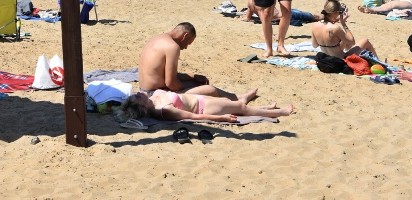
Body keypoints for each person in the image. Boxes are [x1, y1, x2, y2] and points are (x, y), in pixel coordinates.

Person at [138, 23, 239, 98]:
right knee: (208, 89)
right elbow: (171, 83)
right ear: (185, 36)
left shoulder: (158, 38)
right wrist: (190, 86)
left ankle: (233, 97)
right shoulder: (172, 47)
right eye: (188, 43)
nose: (186, 47)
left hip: (143, 90)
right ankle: (235, 98)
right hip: (154, 94)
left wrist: (192, 77)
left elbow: (161, 74)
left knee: (196, 84)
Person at [120, 90, 294, 124]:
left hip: (197, 98)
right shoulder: (164, 110)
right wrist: (222, 119)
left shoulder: (153, 96)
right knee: (241, 108)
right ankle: (279, 112)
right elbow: (193, 117)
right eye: (136, 96)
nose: (138, 93)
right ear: (142, 107)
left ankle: (266, 108)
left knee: (236, 105)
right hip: (203, 107)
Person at [310, 0, 377, 58]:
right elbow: (352, 41)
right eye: (339, 12)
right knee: (365, 41)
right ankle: (380, 63)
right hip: (340, 62)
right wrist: (343, 23)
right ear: (335, 13)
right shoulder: (335, 28)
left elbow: (315, 45)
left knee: (342, 41)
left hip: (327, 60)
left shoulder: (314, 25)